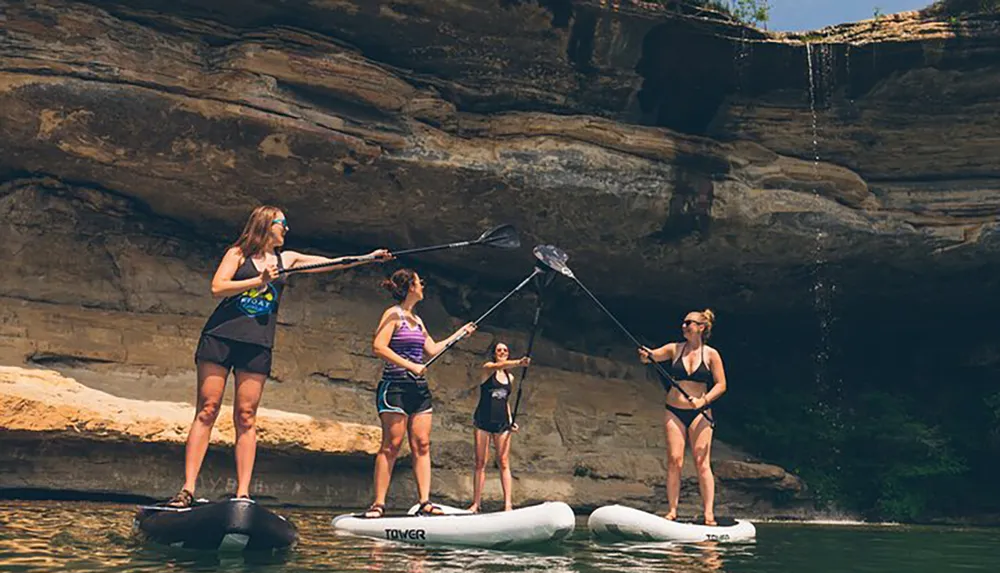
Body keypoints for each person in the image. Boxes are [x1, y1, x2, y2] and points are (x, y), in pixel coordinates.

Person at [164, 205, 392, 507]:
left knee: (246, 416)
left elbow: (331, 263)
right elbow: (217, 287)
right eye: (282, 223)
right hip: (221, 337)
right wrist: (259, 279)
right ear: (266, 224)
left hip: (257, 343)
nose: (286, 229)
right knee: (207, 409)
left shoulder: (288, 259)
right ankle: (188, 488)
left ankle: (243, 493)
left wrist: (367, 258)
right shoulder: (238, 254)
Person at [364, 268, 476, 518]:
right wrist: (411, 365)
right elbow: (378, 347)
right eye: (419, 282)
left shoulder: (417, 320)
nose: (423, 285)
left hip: (418, 390)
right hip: (394, 387)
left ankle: (425, 502)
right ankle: (378, 504)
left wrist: (459, 334)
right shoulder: (393, 315)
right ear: (410, 287)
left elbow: (433, 350)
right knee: (391, 445)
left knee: (422, 444)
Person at [638, 309, 728, 525]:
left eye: (689, 323)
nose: (684, 326)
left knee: (701, 462)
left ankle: (708, 513)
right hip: (674, 410)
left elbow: (721, 385)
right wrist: (646, 355)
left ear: (701, 327)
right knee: (675, 461)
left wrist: (703, 401)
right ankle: (672, 510)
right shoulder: (674, 348)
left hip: (700, 412)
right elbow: (652, 357)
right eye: (683, 323)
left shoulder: (711, 354)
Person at [467, 341, 529, 513]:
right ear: (494, 354)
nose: (502, 352)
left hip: (502, 423)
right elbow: (498, 366)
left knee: (503, 461)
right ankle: (476, 504)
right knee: (480, 462)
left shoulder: (510, 378)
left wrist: (510, 420)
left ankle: (508, 504)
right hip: (483, 421)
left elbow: (506, 401)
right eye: (499, 350)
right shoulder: (488, 368)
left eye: (505, 350)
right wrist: (519, 362)